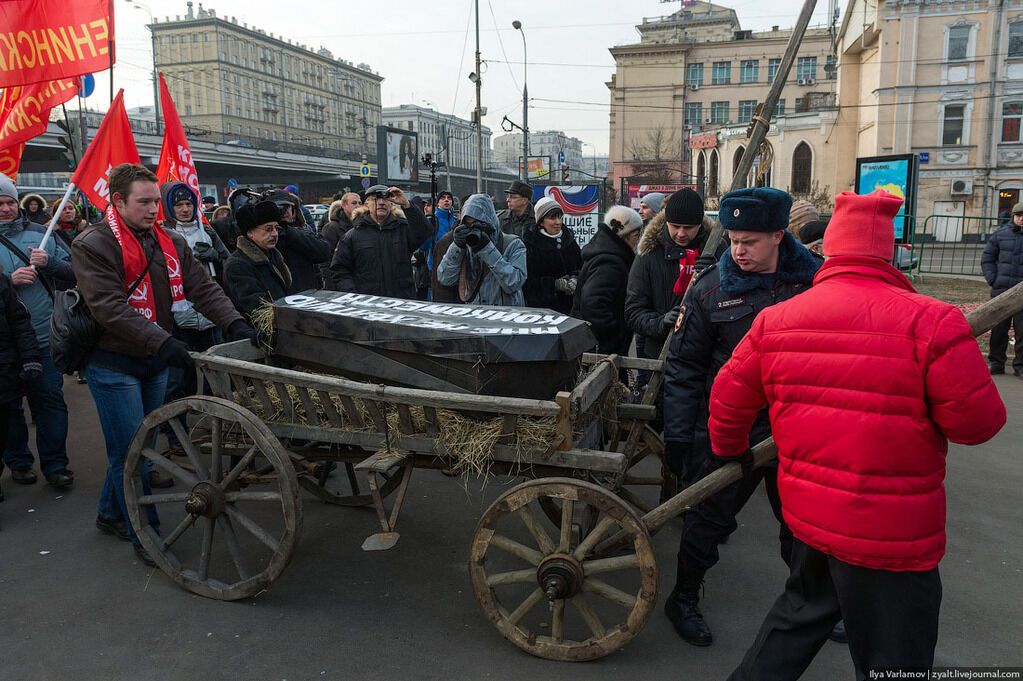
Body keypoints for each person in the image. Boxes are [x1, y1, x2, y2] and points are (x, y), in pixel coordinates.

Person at [710, 190, 1007, 679]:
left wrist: (731, 451)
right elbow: (977, 427)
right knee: (896, 658)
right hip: (892, 537)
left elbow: (727, 398)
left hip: (811, 519)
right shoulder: (933, 322)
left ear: (829, 250)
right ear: (887, 252)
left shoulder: (776, 321)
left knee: (794, 622)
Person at [72, 163, 254, 566]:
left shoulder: (169, 240)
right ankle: (145, 533)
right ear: (117, 201)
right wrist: (165, 341)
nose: (155, 209)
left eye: (157, 200)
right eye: (145, 202)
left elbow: (202, 287)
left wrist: (236, 321)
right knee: (131, 451)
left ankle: (110, 513)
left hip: (154, 358)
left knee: (143, 444)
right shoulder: (93, 243)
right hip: (114, 361)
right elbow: (109, 308)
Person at [662, 187, 821, 647]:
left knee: (803, 527)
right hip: (731, 430)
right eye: (732, 239)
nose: (738, 250)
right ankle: (684, 598)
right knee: (707, 521)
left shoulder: (814, 283)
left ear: (778, 235)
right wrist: (679, 434)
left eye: (749, 241)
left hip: (798, 431)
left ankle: (813, 605)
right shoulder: (711, 289)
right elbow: (686, 366)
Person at [0, 173, 75, 490]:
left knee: (50, 403)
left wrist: (50, 265)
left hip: (43, 338)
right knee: (8, 410)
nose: (5, 209)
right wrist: (7, 282)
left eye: (9, 202)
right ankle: (18, 462)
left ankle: (56, 465)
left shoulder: (41, 233)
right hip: (4, 346)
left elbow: (74, 273)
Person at [626, 189, 718, 375]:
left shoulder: (717, 248)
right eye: (675, 226)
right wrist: (660, 322)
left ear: (700, 224)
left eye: (689, 227)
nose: (681, 233)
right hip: (661, 359)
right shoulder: (649, 254)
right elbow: (633, 312)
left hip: (708, 358)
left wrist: (717, 272)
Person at [160, 181, 230, 415]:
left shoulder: (207, 230)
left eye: (188, 203)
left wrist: (214, 257)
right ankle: (176, 422)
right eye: (178, 205)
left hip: (208, 312)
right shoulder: (163, 233)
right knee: (180, 372)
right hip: (178, 313)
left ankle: (211, 413)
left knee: (213, 367)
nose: (185, 209)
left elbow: (227, 259)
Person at [330, 185, 432, 298]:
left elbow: (425, 232)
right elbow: (340, 271)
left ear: (391, 204)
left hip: (402, 303)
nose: (381, 202)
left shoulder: (403, 230)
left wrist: (407, 205)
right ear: (367, 205)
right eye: (376, 199)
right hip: (369, 307)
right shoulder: (352, 236)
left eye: (385, 199)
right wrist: (354, 297)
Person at [571, 206, 644, 355]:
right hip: (601, 348)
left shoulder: (605, 252)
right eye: (636, 235)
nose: (639, 240)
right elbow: (593, 303)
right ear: (623, 235)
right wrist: (615, 337)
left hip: (593, 343)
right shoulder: (610, 263)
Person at [0, 268, 42, 506]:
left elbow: (18, 321)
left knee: (4, 425)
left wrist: (30, 358)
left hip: (3, 370)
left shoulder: (1, 280)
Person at [437, 194, 527, 306]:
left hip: (505, 317)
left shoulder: (513, 244)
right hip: (476, 316)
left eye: (477, 224)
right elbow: (445, 278)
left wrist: (486, 249)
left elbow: (514, 283)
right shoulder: (466, 246)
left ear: (489, 221)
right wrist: (457, 246)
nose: (473, 230)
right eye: (468, 225)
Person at [224, 201, 292, 320]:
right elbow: (256, 308)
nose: (275, 234)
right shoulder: (238, 265)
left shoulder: (273, 255)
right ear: (250, 232)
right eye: (268, 229)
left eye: (277, 228)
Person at [981, 201, 1023, 377]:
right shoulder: (1000, 235)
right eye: (1019, 215)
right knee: (998, 329)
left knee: (1022, 330)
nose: (1022, 219)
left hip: (1022, 293)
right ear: (1013, 216)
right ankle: (996, 362)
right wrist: (994, 279)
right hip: (1002, 290)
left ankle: (1020, 366)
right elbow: (987, 259)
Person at [522, 197, 582, 314]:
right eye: (552, 218)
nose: (558, 222)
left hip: (571, 309)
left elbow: (581, 265)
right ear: (540, 221)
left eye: (560, 217)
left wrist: (576, 278)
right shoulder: (530, 245)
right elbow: (526, 282)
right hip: (542, 311)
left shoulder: (569, 241)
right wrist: (554, 284)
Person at [268, 189, 331, 293]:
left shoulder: (302, 231)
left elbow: (324, 252)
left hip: (306, 294)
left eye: (286, 207)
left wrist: (287, 230)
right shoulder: (265, 235)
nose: (283, 212)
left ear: (294, 210)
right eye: (278, 208)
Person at [423, 191, 459, 302]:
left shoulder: (457, 221)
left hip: (455, 265)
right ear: (438, 203)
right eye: (443, 198)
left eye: (449, 198)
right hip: (435, 265)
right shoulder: (432, 220)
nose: (446, 200)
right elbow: (423, 247)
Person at [318, 193, 361, 287]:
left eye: (359, 203)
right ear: (344, 205)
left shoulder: (361, 226)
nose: (358, 206)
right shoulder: (331, 228)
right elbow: (325, 260)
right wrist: (330, 285)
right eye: (354, 203)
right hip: (338, 283)